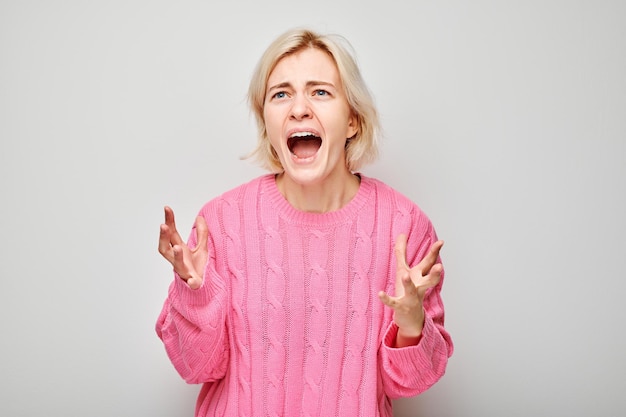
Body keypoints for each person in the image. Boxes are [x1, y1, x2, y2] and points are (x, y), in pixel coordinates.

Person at [156, 28, 453, 417]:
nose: (298, 108)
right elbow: (196, 368)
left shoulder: (405, 227)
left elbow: (411, 383)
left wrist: (411, 322)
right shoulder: (220, 223)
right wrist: (196, 297)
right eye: (280, 94)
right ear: (268, 123)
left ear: (353, 122)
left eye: (320, 92)